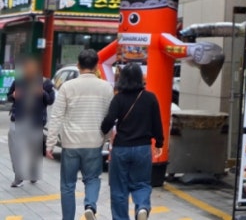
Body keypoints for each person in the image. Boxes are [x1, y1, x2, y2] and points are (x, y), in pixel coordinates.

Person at [46, 49, 114, 220]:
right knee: (92, 179)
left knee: (67, 185)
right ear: (96, 66)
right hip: (94, 142)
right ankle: (90, 205)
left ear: (78, 65)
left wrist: (50, 143)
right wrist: (106, 138)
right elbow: (110, 117)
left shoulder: (67, 87)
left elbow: (56, 116)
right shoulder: (106, 88)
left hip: (71, 143)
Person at [101, 63, 164, 220]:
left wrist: (103, 129)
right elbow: (157, 123)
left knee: (118, 188)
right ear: (140, 78)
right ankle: (142, 207)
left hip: (121, 148)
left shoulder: (118, 99)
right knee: (142, 184)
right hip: (143, 148)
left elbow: (109, 121)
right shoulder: (150, 98)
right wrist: (159, 143)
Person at [7, 56, 55, 186]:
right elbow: (9, 96)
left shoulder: (46, 83)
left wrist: (42, 93)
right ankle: (18, 176)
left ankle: (33, 172)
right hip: (18, 118)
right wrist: (13, 96)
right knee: (15, 148)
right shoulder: (18, 81)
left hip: (36, 121)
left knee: (34, 149)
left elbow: (51, 100)